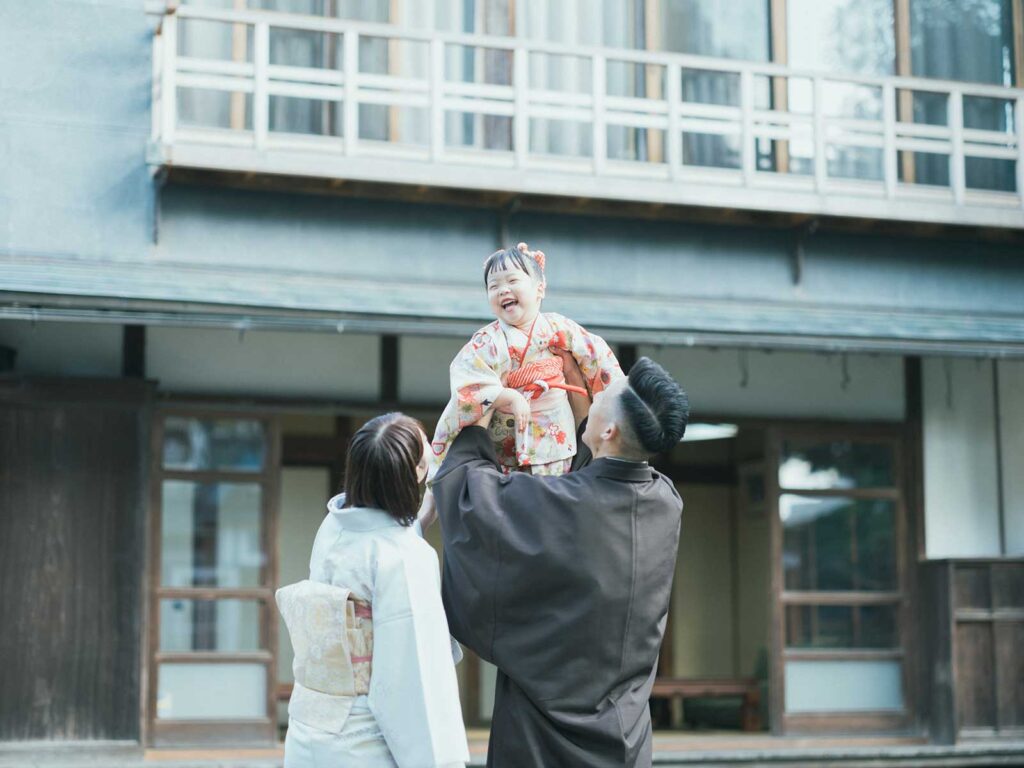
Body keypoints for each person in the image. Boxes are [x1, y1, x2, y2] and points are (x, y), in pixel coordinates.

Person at [431, 356, 688, 767]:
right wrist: (583, 407)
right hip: (627, 735)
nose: (597, 389)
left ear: (609, 430)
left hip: (542, 740)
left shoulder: (562, 508)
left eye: (606, 391)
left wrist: (478, 405)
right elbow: (599, 485)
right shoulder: (665, 502)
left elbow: (468, 495)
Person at [277, 413, 469, 768]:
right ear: (415, 473)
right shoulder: (406, 557)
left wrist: (419, 522)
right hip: (363, 744)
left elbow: (375, 544)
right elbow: (411, 677)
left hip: (309, 732)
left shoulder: (332, 527)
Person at [427, 242, 623, 480]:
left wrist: (619, 400)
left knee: (558, 495)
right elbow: (467, 382)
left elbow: (599, 360)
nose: (502, 290)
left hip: (557, 443)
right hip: (504, 450)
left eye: (512, 281)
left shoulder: (560, 328)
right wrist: (507, 395)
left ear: (540, 289)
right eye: (493, 285)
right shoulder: (486, 341)